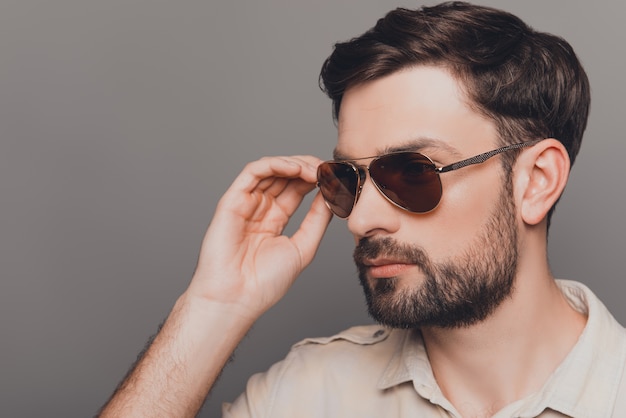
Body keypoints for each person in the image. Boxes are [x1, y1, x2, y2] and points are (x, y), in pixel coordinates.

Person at [98, 2, 626, 417]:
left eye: (413, 172)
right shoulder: (307, 394)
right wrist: (214, 309)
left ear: (536, 181)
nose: (361, 219)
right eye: (348, 179)